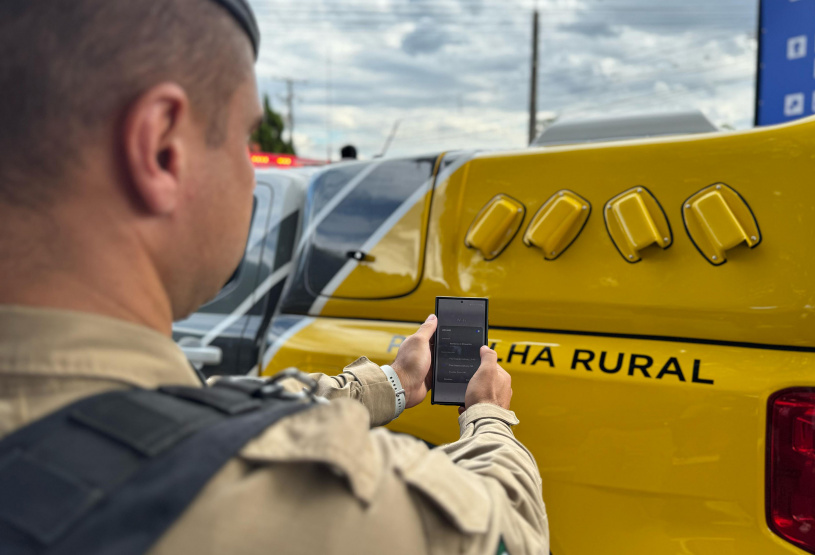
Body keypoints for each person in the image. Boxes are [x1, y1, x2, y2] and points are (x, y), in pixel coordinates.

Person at [0, 1, 549, 554]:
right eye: (244, 139)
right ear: (161, 149)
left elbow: (203, 406)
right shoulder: (273, 508)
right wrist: (488, 421)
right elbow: (510, 537)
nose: (250, 170)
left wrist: (394, 384)